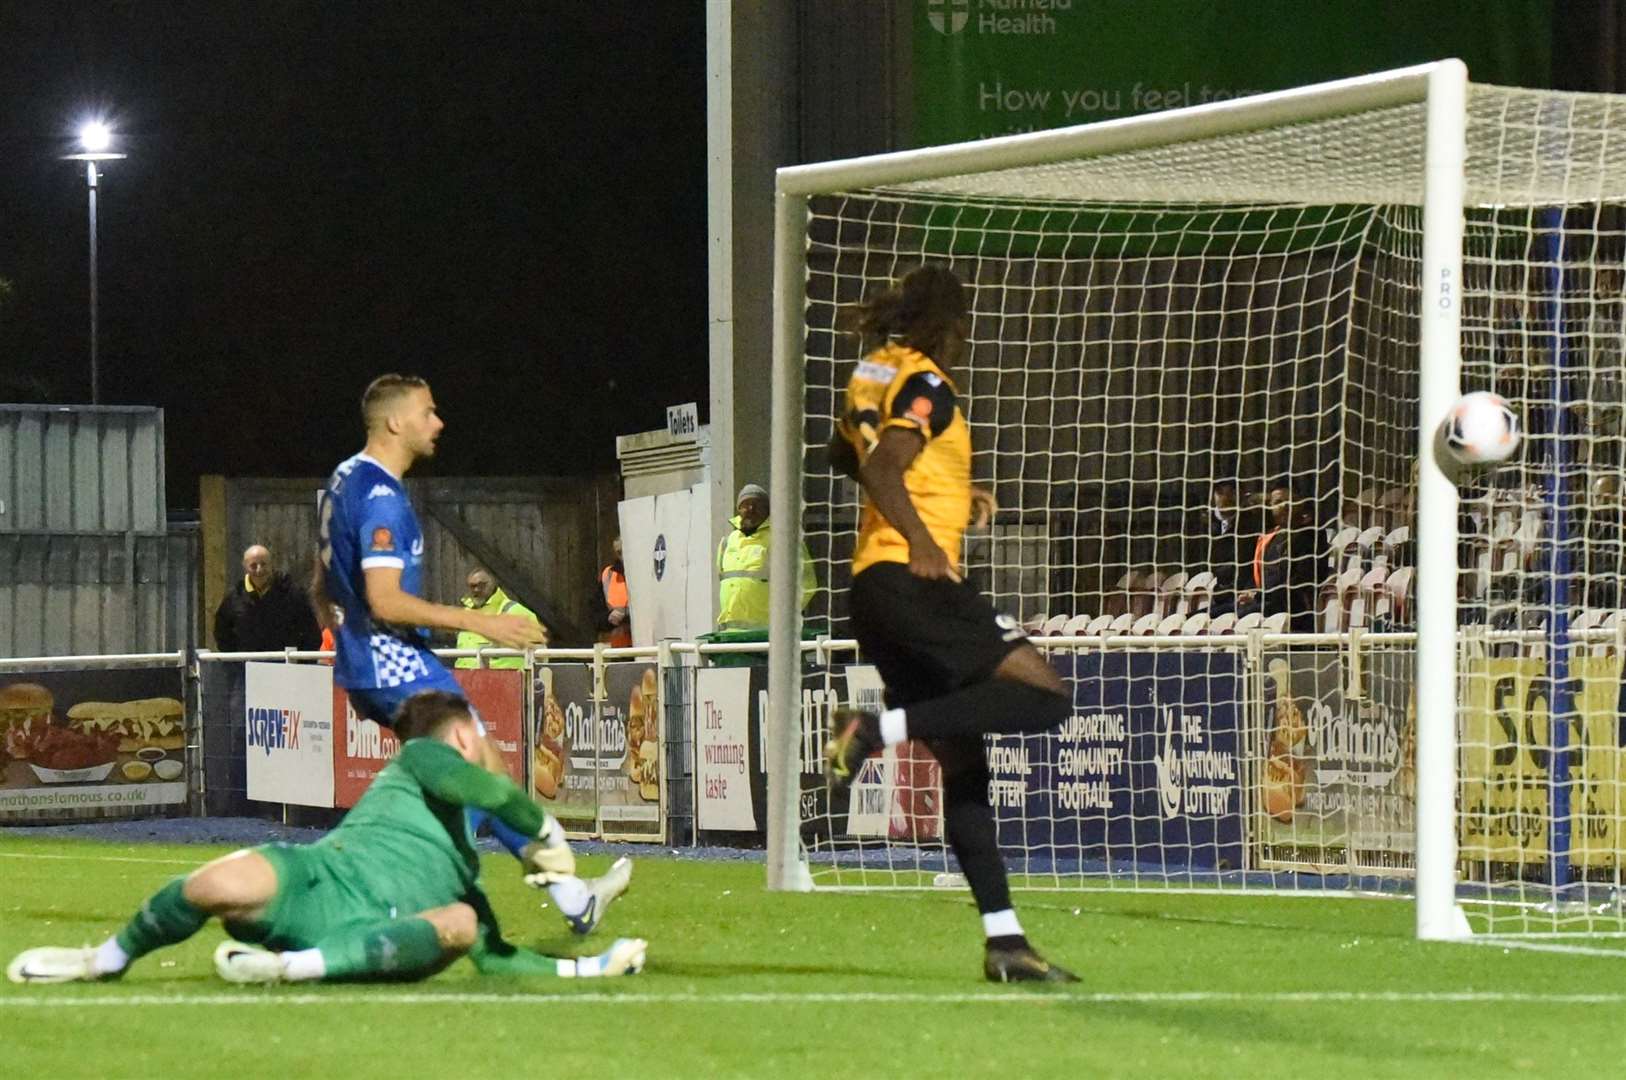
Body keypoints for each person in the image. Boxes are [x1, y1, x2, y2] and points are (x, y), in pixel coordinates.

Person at [7, 691, 644, 986]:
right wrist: (547, 832)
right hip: (318, 879)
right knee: (220, 881)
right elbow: (500, 796)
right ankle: (105, 961)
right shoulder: (423, 756)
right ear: (461, 741)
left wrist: (595, 966)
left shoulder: (463, 865)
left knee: (462, 924)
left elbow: (499, 961)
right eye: (481, 742)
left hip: (369, 927)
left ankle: (285, 969)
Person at [823, 265, 1077, 984]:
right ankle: (872, 731)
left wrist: (953, 496)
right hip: (915, 580)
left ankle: (1005, 943)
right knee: (1046, 694)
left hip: (873, 589)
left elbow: (847, 455)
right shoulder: (930, 381)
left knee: (966, 770)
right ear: (950, 325)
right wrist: (929, 540)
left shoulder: (872, 372)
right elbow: (884, 471)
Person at [312, 374, 617, 932]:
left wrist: (343, 638)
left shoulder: (343, 479)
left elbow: (322, 577)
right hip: (395, 662)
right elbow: (384, 599)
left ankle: (573, 896)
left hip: (372, 664)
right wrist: (482, 623)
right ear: (396, 422)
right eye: (428, 412)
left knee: (480, 771)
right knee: (472, 776)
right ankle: (396, 898)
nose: (439, 423)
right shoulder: (383, 497)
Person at [715, 483, 817, 631]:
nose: (751, 509)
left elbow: (807, 583)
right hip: (730, 635)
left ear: (768, 510)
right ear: (738, 509)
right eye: (746, 504)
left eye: (757, 505)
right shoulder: (727, 542)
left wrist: (783, 618)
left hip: (769, 636)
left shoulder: (783, 539)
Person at [213, 544, 321, 652]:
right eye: (253, 565)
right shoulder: (233, 598)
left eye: (263, 564)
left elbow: (311, 634)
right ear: (245, 567)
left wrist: (300, 663)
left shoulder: (293, 594)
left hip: (286, 666)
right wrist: (236, 664)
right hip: (246, 666)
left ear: (271, 565)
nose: (259, 570)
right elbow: (222, 635)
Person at [456, 567, 547, 668]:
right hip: (463, 680)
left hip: (508, 680)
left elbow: (540, 656)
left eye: (482, 585)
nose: (476, 589)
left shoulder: (516, 612)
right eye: (472, 586)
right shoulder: (465, 615)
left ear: (493, 583)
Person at [599, 536, 631, 648]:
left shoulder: (646, 573)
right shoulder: (608, 575)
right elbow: (594, 616)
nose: (621, 555)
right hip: (618, 650)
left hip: (646, 646)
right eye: (618, 552)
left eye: (623, 551)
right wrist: (609, 618)